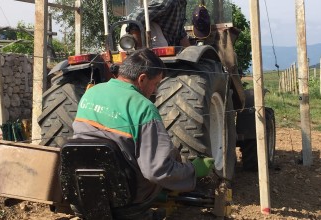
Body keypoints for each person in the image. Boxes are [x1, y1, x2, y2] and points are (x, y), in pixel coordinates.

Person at [72, 48, 214, 205]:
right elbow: (157, 171)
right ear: (142, 79)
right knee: (168, 155)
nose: (154, 91)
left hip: (84, 184)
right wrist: (192, 170)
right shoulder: (143, 107)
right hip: (127, 192)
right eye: (155, 84)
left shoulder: (91, 92)